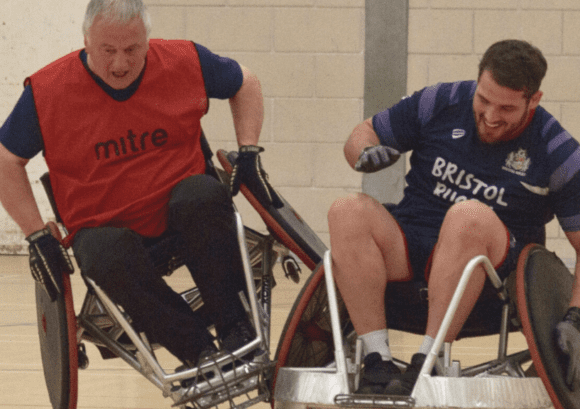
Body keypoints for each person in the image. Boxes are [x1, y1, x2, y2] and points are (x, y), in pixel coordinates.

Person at [0, 0, 278, 368]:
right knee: (103, 253)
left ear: (148, 39)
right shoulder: (48, 91)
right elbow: (6, 159)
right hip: (104, 226)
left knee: (203, 194)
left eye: (132, 49)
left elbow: (245, 82)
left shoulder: (183, 59)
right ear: (86, 40)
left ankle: (236, 330)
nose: (120, 64)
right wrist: (35, 234)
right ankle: (199, 351)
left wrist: (249, 150)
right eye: (107, 50)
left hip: (183, 209)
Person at [328, 39, 580, 395]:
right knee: (346, 210)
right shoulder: (440, 101)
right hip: (413, 246)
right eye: (483, 100)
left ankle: (426, 363)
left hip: (490, 279)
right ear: (477, 83)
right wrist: (365, 153)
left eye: (506, 108)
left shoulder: (559, 152)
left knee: (467, 216)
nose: (491, 117)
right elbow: (363, 132)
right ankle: (376, 362)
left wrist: (576, 318)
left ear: (533, 100)